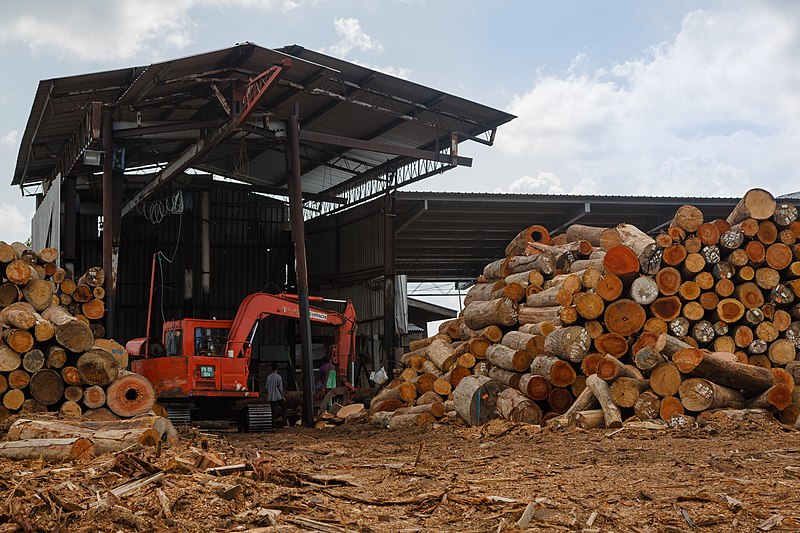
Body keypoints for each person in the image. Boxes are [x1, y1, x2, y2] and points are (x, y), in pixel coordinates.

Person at [264, 362, 286, 427]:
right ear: (277, 368)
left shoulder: (268, 377)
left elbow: (266, 387)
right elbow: (280, 388)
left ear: (271, 368)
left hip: (270, 396)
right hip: (278, 396)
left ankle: (273, 425)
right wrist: (283, 396)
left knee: (273, 411)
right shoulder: (279, 377)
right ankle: (284, 422)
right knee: (284, 408)